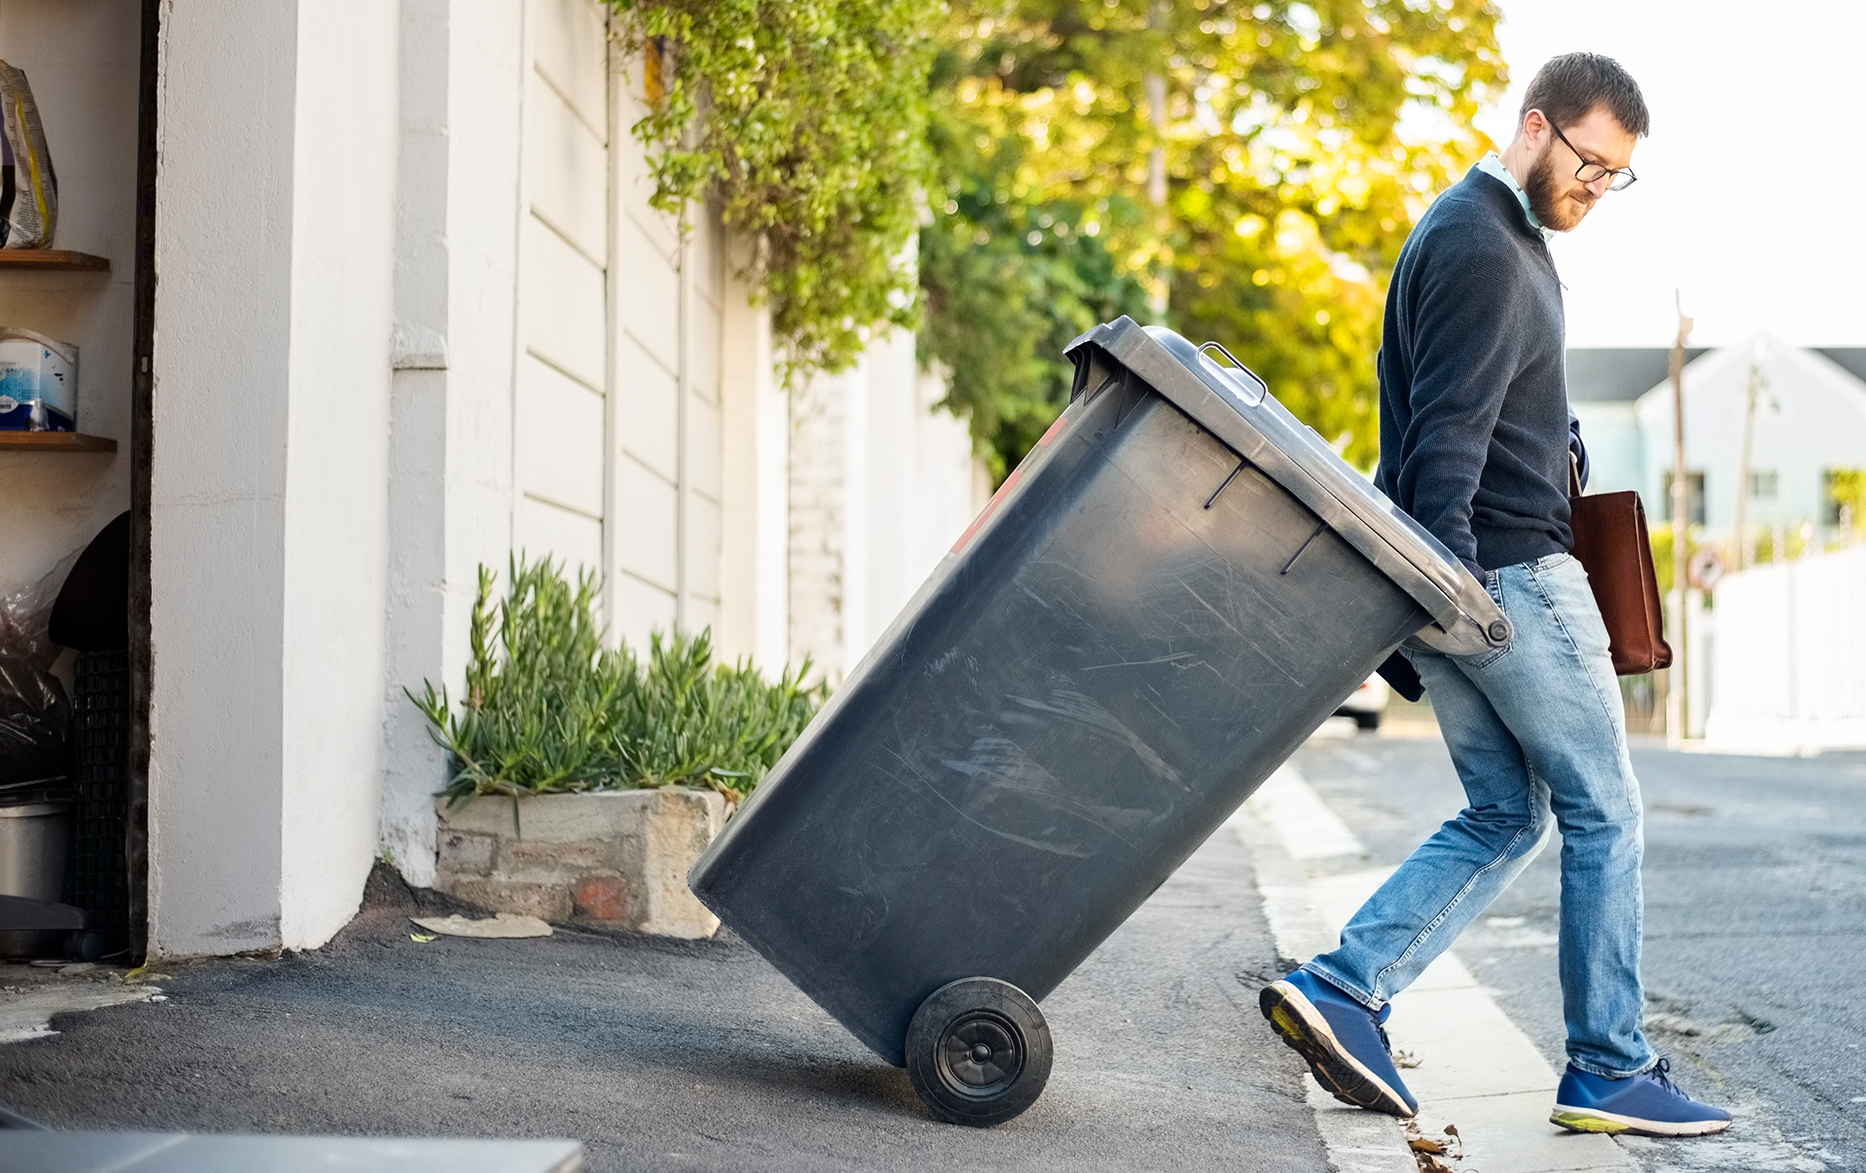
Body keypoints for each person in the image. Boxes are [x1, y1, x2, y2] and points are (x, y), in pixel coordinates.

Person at [1257, 53, 1732, 1138]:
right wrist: (1457, 596)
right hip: (1506, 577)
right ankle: (1609, 1066)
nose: (1596, 188)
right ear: (1535, 126)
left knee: (1507, 812)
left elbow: (1456, 415)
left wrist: (1428, 601)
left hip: (1466, 574)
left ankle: (1345, 986)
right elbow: (1445, 437)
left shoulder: (1483, 235)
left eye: (1615, 176)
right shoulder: (1482, 243)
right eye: (1589, 162)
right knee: (1606, 810)